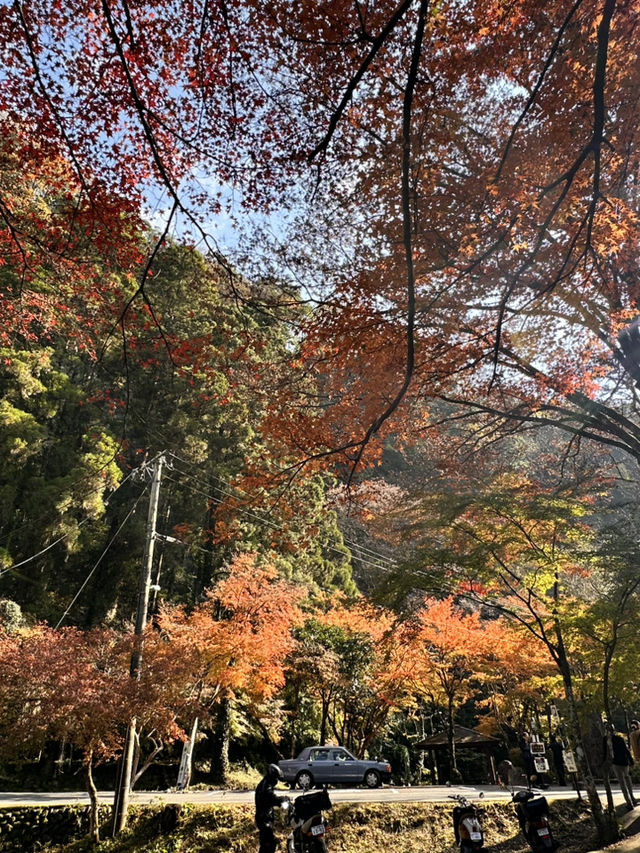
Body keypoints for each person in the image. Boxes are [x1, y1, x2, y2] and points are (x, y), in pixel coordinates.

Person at [255, 763, 288, 853]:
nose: (277, 780)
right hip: (263, 819)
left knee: (268, 844)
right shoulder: (265, 786)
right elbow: (271, 797)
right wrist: (282, 799)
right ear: (272, 776)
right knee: (268, 845)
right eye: (276, 778)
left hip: (264, 817)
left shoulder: (266, 783)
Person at [605, 724, 638, 811]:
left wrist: (604, 762)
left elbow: (605, 753)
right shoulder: (619, 739)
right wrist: (631, 761)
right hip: (624, 762)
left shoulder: (606, 740)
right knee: (627, 779)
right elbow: (626, 750)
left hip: (616, 763)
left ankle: (629, 802)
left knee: (622, 782)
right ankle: (632, 798)